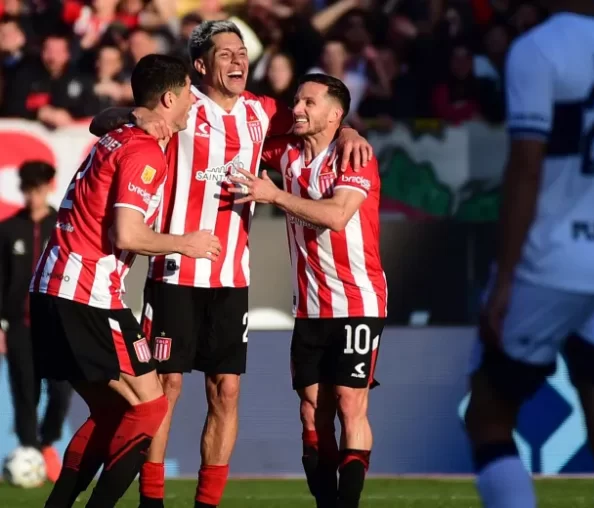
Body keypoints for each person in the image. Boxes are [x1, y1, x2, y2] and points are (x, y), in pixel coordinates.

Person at [87, 20, 373, 508]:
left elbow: (319, 116)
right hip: (175, 270)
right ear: (200, 65)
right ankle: (152, 500)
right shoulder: (178, 107)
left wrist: (346, 128)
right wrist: (128, 113)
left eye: (242, 53)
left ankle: (206, 504)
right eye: (225, 54)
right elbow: (101, 124)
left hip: (230, 276)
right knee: (168, 386)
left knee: (226, 393)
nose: (239, 61)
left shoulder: (261, 113)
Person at [464, 1, 594, 506]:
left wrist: (506, 276)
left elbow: (526, 167)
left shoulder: (538, 49)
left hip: (553, 259)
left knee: (487, 414)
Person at [31, 53, 221, 508]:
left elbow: (104, 120)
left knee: (114, 409)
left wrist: (134, 113)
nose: (195, 106)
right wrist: (185, 243)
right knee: (151, 406)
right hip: (86, 291)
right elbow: (128, 234)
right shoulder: (143, 150)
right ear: (170, 98)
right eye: (189, 98)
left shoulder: (119, 133)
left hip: (56, 286)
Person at [229, 73, 387, 508]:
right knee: (310, 412)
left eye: (309, 103)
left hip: (358, 300)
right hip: (309, 306)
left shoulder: (354, 156)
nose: (297, 109)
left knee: (350, 404)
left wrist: (275, 196)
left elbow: (337, 216)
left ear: (335, 114)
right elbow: (235, 121)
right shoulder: (286, 154)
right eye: (297, 101)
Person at [0, 161, 73, 483]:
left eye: (39, 189)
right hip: (18, 326)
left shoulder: (64, 226)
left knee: (61, 390)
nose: (34, 196)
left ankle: (45, 444)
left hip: (56, 324)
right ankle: (30, 454)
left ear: (49, 187)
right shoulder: (7, 230)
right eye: (29, 190)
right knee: (24, 393)